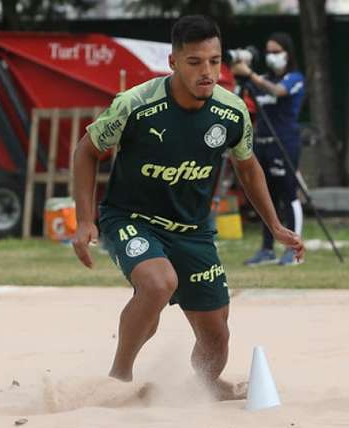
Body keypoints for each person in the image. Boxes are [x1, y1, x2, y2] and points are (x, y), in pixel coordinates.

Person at [71, 15, 304, 400]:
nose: (207, 71)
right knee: (158, 284)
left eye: (214, 61)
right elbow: (86, 151)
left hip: (193, 230)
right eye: (195, 62)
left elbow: (248, 168)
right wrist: (84, 220)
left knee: (217, 333)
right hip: (131, 218)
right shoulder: (135, 104)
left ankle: (205, 388)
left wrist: (276, 226)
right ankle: (117, 380)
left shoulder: (232, 112)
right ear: (173, 62)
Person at [232, 33, 306, 266]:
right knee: (265, 197)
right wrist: (243, 78)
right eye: (268, 52)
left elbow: (278, 92)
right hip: (261, 142)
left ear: (287, 53)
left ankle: (294, 249)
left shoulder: (295, 78)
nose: (271, 56)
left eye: (276, 52)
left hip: (285, 142)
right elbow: (238, 98)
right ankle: (267, 249)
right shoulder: (260, 80)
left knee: (288, 193)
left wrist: (250, 75)